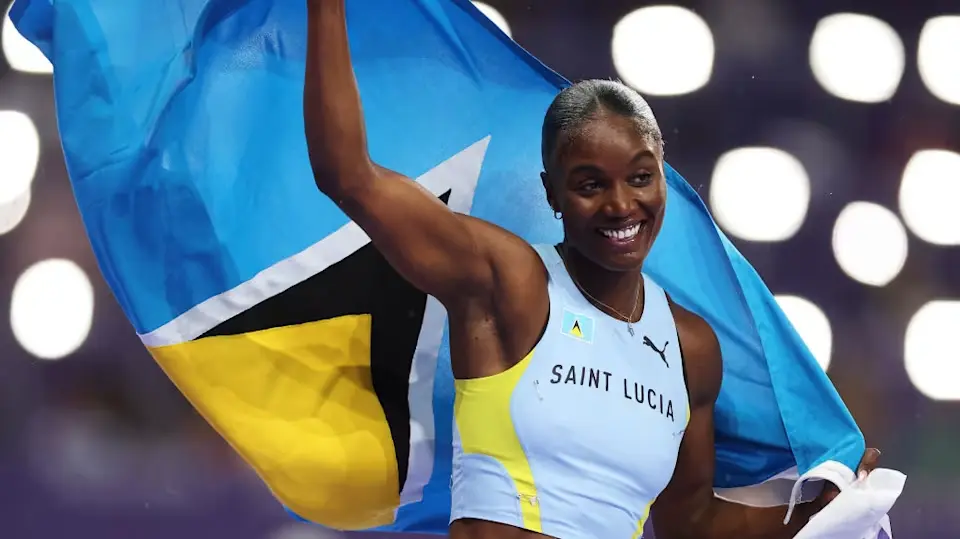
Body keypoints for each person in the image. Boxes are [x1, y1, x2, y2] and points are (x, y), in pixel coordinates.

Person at [304, 1, 880, 538]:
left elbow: (691, 521)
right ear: (551, 193)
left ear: (663, 177)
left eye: (639, 177)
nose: (621, 205)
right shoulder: (509, 284)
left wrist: (809, 517)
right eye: (589, 185)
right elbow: (348, 175)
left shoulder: (690, 348)